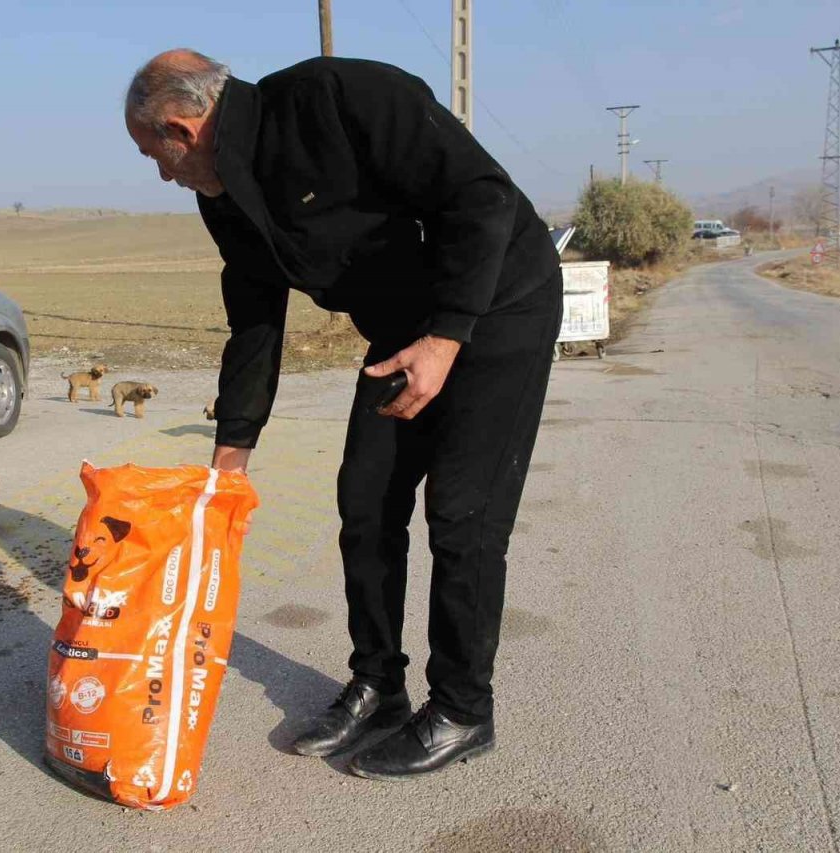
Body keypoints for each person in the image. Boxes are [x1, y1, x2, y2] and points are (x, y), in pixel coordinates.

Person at [124, 49, 562, 780]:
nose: (162, 175)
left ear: (181, 127)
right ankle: (380, 686)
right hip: (401, 328)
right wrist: (230, 455)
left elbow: (480, 193)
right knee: (365, 500)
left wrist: (448, 333)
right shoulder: (223, 194)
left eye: (155, 156)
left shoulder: (337, 97)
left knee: (462, 511)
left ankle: (461, 708)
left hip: (497, 302)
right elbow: (256, 319)